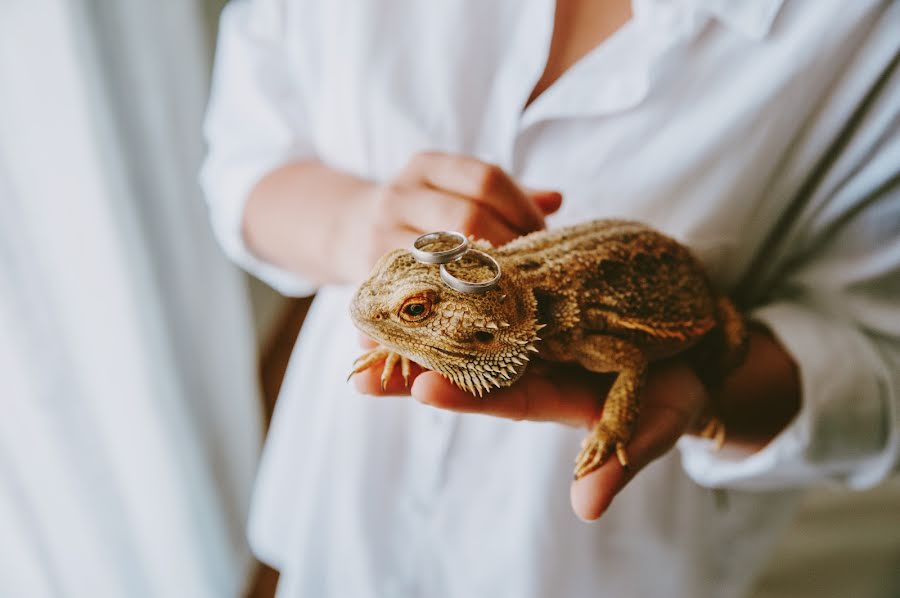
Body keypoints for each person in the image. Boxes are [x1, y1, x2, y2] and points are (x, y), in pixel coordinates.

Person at [200, 0, 900, 596]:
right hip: (335, 514)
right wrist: (353, 225)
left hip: (591, 567)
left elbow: (881, 365)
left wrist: (704, 391)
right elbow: (244, 149)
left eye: (414, 311)